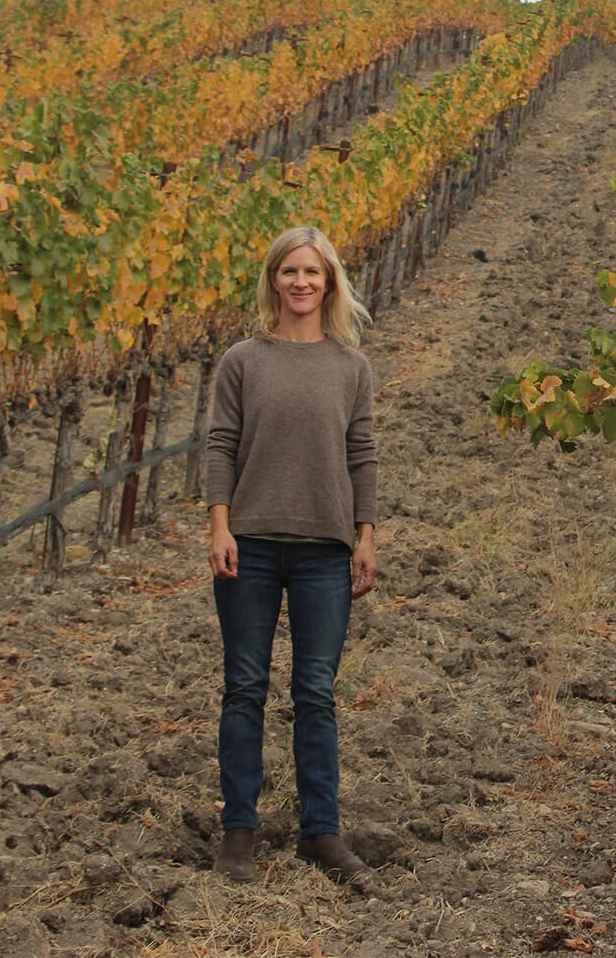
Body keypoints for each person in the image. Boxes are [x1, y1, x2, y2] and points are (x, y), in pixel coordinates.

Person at [204, 225, 380, 884]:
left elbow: (361, 453)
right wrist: (220, 527)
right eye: (289, 272)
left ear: (329, 282)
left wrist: (365, 534)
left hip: (323, 552)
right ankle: (238, 833)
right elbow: (221, 445)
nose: (301, 282)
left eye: (312, 272)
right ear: (273, 280)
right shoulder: (242, 360)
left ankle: (321, 832)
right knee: (245, 686)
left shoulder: (350, 367)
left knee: (315, 690)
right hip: (248, 545)